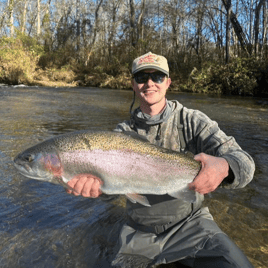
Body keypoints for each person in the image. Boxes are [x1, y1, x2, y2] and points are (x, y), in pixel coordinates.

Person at [66, 52, 255, 268]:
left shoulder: (193, 121)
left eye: (157, 77)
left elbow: (245, 162)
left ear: (168, 83)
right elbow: (111, 194)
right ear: (133, 84)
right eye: (141, 78)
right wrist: (98, 190)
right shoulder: (121, 134)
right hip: (139, 231)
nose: (149, 83)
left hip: (192, 224)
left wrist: (224, 166)